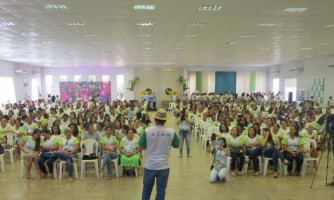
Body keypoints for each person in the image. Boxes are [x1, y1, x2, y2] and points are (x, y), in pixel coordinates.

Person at [139, 108, 180, 200]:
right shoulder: (171, 132)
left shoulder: (147, 131)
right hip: (164, 166)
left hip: (150, 166)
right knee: (161, 191)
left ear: (155, 119)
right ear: (165, 120)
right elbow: (177, 145)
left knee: (146, 190)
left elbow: (140, 147)